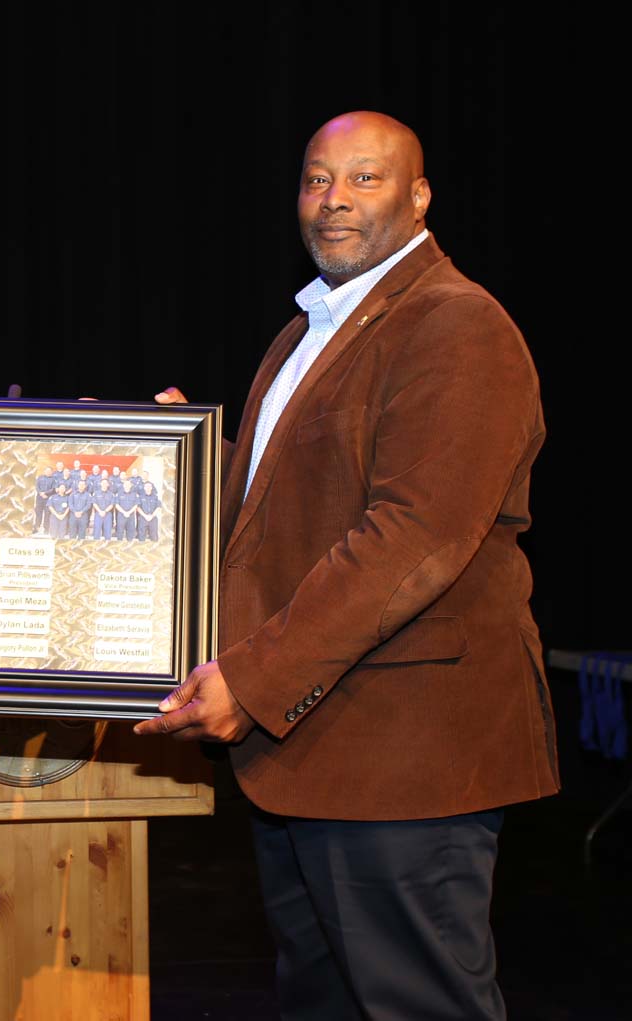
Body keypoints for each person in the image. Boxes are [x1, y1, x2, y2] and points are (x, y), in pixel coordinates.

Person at [136, 111, 559, 1020]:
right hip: (317, 747)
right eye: (316, 180)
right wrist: (163, 459)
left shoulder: (456, 325)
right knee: (325, 1001)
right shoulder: (308, 332)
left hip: (407, 753)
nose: (333, 201)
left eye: (364, 180)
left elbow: (413, 537)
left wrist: (249, 679)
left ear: (419, 196)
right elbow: (274, 513)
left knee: (415, 1002)